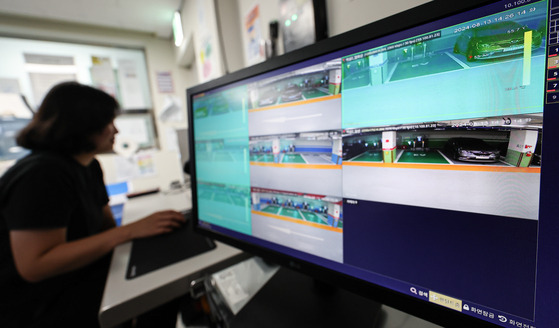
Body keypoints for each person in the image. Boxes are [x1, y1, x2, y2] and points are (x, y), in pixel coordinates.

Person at [0, 82, 185, 327]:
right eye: (109, 123)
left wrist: (143, 230)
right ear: (82, 126)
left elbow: (105, 225)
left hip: (77, 275)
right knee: (163, 294)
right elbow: (35, 265)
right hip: (39, 305)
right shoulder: (42, 174)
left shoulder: (89, 165)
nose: (116, 131)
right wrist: (130, 230)